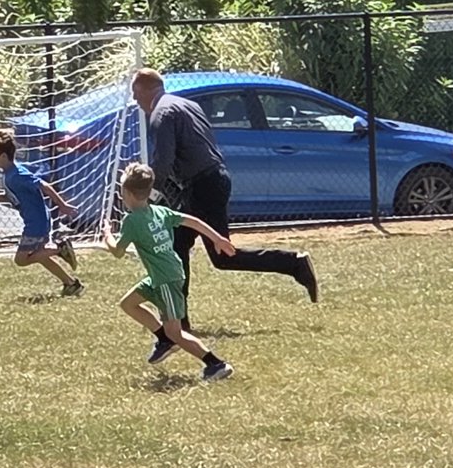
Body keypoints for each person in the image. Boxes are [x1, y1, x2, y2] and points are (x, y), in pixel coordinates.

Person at [130, 69, 319, 333]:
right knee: (179, 244)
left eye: (135, 93)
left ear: (146, 89)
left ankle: (293, 263)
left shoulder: (161, 114)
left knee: (220, 256)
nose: (135, 99)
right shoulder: (187, 104)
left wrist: (144, 196)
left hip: (202, 185)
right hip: (213, 179)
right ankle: (178, 319)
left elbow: (163, 161)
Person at [103, 163, 235, 380]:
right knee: (128, 303)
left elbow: (117, 251)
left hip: (166, 280)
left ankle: (215, 364)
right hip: (160, 276)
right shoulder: (160, 211)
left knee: (176, 331)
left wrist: (107, 234)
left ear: (126, 193)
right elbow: (192, 221)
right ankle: (163, 339)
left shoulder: (132, 221)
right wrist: (217, 238)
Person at [0, 128, 84, 297]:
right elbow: (11, 198)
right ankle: (71, 284)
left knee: (21, 260)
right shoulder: (9, 175)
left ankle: (60, 249)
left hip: (36, 223)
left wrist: (62, 205)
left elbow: (44, 186)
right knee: (40, 256)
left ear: (3, 156)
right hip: (36, 221)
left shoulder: (18, 175)